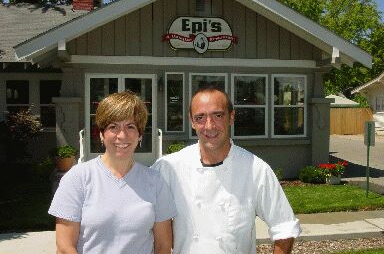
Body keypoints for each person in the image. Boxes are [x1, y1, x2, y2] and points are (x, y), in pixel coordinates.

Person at [152, 86, 301, 254]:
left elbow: (284, 227)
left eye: (218, 115)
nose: (209, 126)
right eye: (200, 117)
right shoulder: (169, 167)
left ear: (231, 117)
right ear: (192, 122)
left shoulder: (255, 169)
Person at [49, 91, 177, 254]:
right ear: (101, 134)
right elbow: (65, 247)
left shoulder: (155, 181)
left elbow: (163, 247)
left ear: (140, 135)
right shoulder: (77, 178)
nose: (122, 135)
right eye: (113, 127)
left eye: (130, 126)